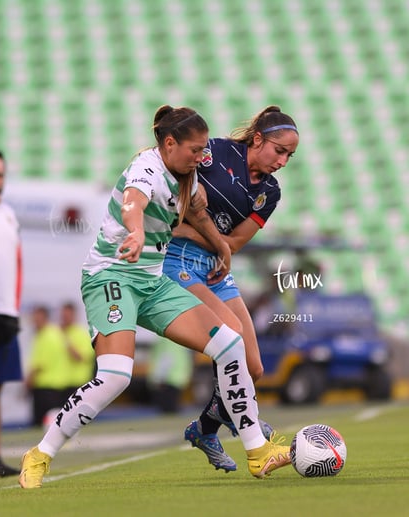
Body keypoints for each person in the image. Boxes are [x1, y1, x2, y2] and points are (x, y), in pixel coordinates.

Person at [19, 105, 291, 489]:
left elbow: (197, 214)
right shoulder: (146, 168)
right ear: (168, 144)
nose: (203, 157)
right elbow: (134, 201)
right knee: (116, 376)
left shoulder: (189, 174)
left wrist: (222, 247)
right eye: (196, 150)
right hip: (112, 277)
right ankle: (41, 453)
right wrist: (136, 231)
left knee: (231, 344)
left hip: (152, 282)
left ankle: (258, 451)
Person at [163, 106, 299, 471]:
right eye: (280, 151)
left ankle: (204, 429)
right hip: (177, 260)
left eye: (290, 155)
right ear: (258, 139)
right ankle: (253, 435)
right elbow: (173, 211)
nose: (283, 161)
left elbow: (234, 243)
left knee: (254, 369)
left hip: (217, 268)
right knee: (232, 338)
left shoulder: (270, 192)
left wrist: (206, 235)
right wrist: (211, 238)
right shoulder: (216, 152)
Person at [0, 149, 23, 477]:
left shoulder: (9, 215)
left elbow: (16, 264)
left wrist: (12, 308)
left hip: (4, 313)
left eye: (0, 176)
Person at [26, 306, 73, 426]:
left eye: (37, 319)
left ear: (45, 318)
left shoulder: (46, 335)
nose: (35, 322)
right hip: (58, 385)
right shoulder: (57, 333)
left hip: (45, 386)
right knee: (56, 423)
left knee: (40, 424)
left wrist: (29, 381)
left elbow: (40, 364)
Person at [59, 301, 95, 397]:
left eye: (67, 315)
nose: (64, 318)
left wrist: (66, 341)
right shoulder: (57, 332)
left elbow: (81, 358)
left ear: (74, 315)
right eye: (63, 316)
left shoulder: (82, 333)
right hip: (62, 383)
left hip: (79, 383)